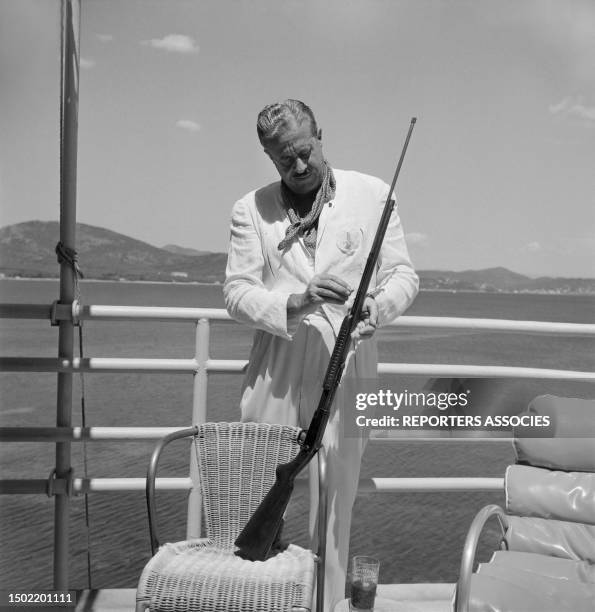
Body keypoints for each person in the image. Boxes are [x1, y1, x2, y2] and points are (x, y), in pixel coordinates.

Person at [224, 99, 419, 610]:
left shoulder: (374, 194)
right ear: (269, 157)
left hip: (348, 366)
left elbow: (404, 275)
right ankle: (261, 602)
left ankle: (327, 605)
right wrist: (296, 301)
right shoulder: (251, 209)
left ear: (320, 136)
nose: (299, 166)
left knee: (337, 506)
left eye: (305, 152)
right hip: (277, 369)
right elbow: (237, 293)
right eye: (284, 159)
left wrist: (379, 306)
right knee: (259, 497)